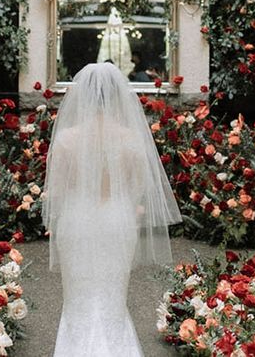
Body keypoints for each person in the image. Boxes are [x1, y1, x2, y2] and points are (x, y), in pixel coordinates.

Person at [43, 62, 182, 356]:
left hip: (77, 221)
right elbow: (138, 188)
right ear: (118, 97)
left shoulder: (67, 138)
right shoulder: (130, 138)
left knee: (77, 297)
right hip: (116, 220)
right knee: (112, 298)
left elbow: (56, 193)